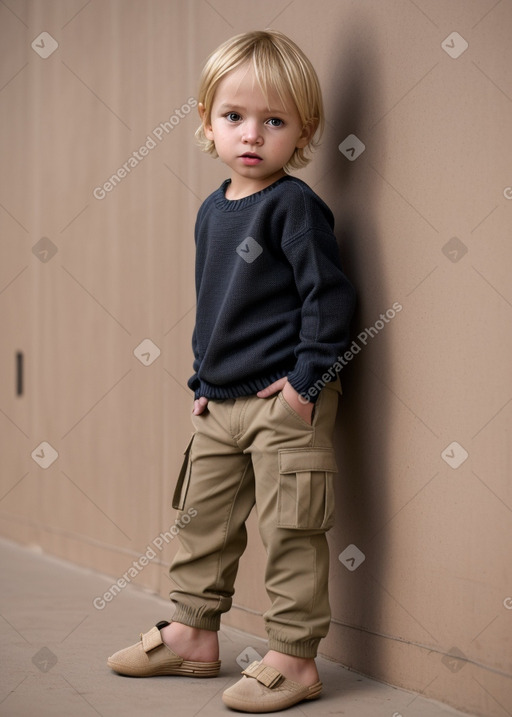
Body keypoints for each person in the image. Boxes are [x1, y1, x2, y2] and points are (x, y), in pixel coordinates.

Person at [107, 29, 356, 713]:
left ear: (302, 131)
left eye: (274, 121)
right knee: (201, 517)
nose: (252, 135)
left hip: (285, 399)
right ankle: (191, 632)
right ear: (206, 122)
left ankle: (294, 657)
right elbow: (214, 308)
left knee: (291, 528)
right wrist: (202, 381)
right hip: (221, 400)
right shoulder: (213, 209)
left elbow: (329, 299)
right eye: (234, 117)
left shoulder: (294, 206)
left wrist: (306, 382)